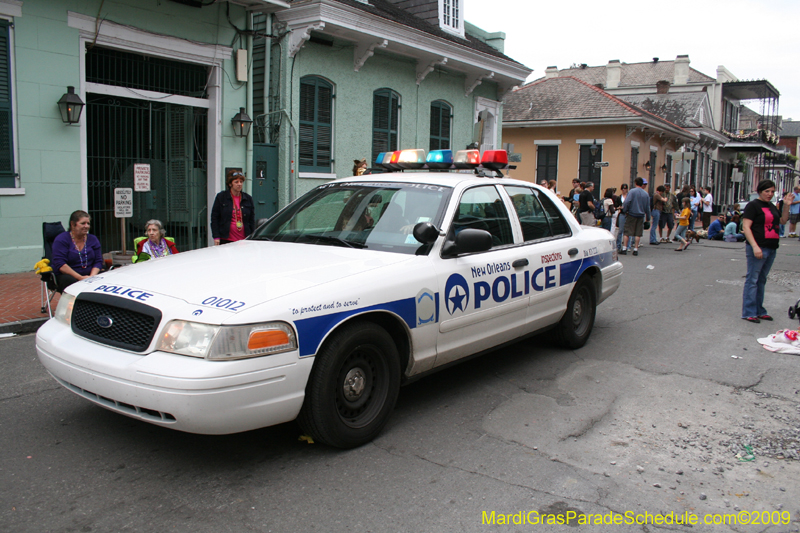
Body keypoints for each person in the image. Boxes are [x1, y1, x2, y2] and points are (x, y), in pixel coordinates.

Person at [741, 179, 793, 323]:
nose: (770, 194)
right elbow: (746, 227)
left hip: (771, 247)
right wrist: (755, 246)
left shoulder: (771, 206)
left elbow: (782, 221)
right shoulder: (753, 206)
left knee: (761, 280)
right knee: (752, 279)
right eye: (767, 191)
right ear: (760, 191)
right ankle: (749, 311)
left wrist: (786, 206)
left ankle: (759, 310)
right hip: (758, 247)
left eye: (772, 191)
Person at [51, 210, 103, 290]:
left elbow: (98, 261)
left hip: (91, 275)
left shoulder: (93, 239)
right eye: (83, 223)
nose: (86, 226)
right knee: (69, 281)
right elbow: (60, 264)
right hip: (69, 275)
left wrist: (91, 277)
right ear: (72, 224)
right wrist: (80, 277)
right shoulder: (62, 239)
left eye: (88, 223)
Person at [211, 170, 255, 245]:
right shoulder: (221, 197)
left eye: (241, 182)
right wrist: (216, 236)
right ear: (230, 184)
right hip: (226, 239)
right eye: (236, 182)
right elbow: (215, 218)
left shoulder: (248, 198)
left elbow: (251, 220)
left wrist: (252, 237)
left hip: (244, 240)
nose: (239, 184)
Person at [620, 177, 650, 256]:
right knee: (638, 233)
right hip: (641, 215)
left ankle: (624, 248)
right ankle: (636, 249)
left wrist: (625, 210)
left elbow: (627, 202)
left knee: (627, 232)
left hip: (631, 214)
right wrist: (648, 218)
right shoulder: (646, 194)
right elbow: (648, 207)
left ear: (636, 183)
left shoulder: (632, 192)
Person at [615, 183, 630, 251]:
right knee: (620, 230)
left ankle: (627, 246)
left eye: (625, 189)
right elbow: (616, 206)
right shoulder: (619, 197)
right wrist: (619, 207)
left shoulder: (629, 196)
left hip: (628, 214)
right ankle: (618, 245)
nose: (624, 190)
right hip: (622, 213)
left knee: (628, 231)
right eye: (623, 189)